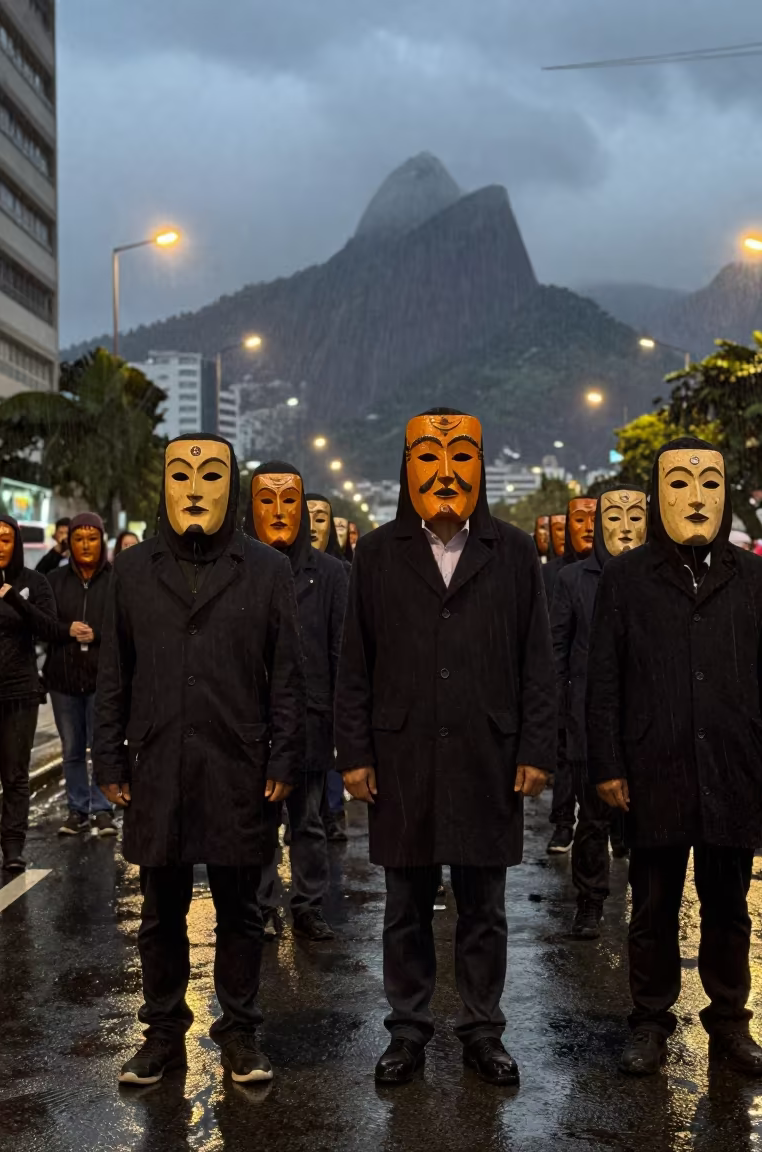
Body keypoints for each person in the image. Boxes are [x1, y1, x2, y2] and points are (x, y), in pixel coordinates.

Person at [335, 408, 555, 1088]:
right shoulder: (374, 553)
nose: (446, 471)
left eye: (462, 455)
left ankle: (483, 1031)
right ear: (405, 469)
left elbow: (538, 662)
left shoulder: (515, 552)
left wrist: (536, 749)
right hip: (400, 759)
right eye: (428, 456)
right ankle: (407, 1031)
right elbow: (354, 664)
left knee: (484, 907)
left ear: (482, 467)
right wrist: (356, 754)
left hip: (488, 756)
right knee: (404, 906)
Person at [93, 434, 306, 1087]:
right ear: (161, 487)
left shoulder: (267, 570)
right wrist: (109, 760)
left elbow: (289, 679)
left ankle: (239, 1032)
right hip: (156, 764)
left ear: (232, 486)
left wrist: (283, 755)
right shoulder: (129, 571)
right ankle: (161, 1033)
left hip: (238, 767)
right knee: (161, 912)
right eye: (179, 474)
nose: (192, 488)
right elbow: (113, 676)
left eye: (209, 475)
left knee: (242, 909)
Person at [587, 437, 762, 1077]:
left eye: (710, 482)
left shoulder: (756, 576)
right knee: (652, 907)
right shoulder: (627, 579)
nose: (697, 496)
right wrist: (606, 764)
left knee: (729, 908)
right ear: (657, 498)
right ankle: (650, 1022)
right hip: (652, 772)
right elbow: (603, 681)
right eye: (680, 483)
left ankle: (730, 1025)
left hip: (732, 772)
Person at [244, 461, 347, 941]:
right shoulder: (239, 566)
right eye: (267, 501)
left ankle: (308, 905)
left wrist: (342, 726)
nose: (280, 512)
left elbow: (341, 653)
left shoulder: (329, 573)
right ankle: (262, 905)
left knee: (307, 822)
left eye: (291, 502)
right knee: (258, 821)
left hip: (309, 720)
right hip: (250, 720)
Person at [550, 487, 647, 933]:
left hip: (649, 720)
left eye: (635, 517)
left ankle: (649, 908)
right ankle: (589, 901)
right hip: (590, 718)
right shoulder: (572, 580)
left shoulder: (663, 577)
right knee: (591, 820)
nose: (624, 527)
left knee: (647, 821)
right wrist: (556, 719)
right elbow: (557, 653)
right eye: (614, 517)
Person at [45, 513, 116, 837]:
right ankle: (78, 810)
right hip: (63, 681)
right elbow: (40, 624)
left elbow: (126, 627)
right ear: (68, 543)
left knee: (102, 745)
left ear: (101, 541)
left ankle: (103, 809)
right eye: (78, 539)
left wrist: (97, 634)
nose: (86, 545)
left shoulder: (116, 579)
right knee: (72, 749)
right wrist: (66, 630)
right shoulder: (55, 581)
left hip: (103, 679)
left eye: (92, 538)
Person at [0, 516, 56, 872]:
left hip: (19, 692)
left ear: (16, 543)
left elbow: (50, 628)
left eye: (5, 539)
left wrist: (17, 601)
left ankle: (13, 848)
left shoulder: (35, 582)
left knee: (15, 775)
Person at [542, 495, 598, 849]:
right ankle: (563, 822)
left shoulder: (618, 572)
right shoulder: (550, 574)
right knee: (565, 759)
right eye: (578, 520)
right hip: (566, 683)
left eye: (595, 518)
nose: (589, 527)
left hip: (601, 684)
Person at [307, 492, 347, 562]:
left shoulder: (344, 570)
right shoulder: (283, 567)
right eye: (304, 519)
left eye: (320, 520)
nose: (311, 528)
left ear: (330, 527)